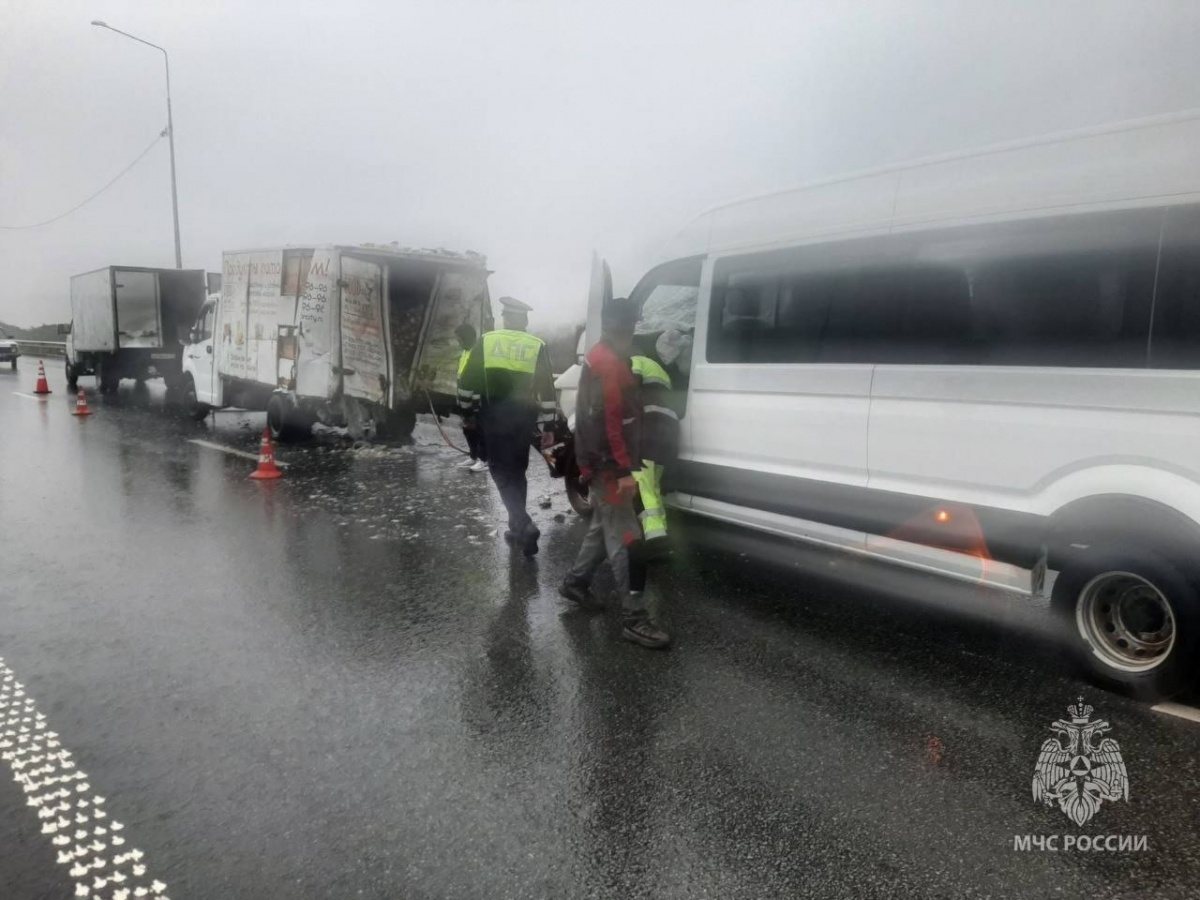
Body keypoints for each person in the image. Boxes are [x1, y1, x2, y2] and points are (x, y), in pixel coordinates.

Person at [558, 297, 671, 649]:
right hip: (609, 467)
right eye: (632, 326)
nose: (633, 333)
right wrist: (621, 470)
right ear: (627, 327)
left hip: (601, 463)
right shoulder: (610, 364)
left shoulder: (600, 354)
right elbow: (608, 423)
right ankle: (634, 618)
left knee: (601, 527)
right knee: (627, 541)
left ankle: (575, 583)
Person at [458, 296, 557, 556]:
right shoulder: (537, 345)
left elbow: (466, 383)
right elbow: (548, 389)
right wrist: (549, 426)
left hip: (494, 417)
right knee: (517, 471)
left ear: (505, 318)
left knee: (500, 472)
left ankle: (523, 523)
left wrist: (466, 412)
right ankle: (517, 531)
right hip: (524, 419)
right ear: (524, 320)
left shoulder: (488, 341)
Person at [454, 323, 488, 473]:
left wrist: (474, 404)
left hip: (475, 399)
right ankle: (473, 456)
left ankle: (484, 459)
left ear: (467, 338)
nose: (458, 342)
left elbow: (478, 381)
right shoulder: (465, 352)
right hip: (464, 398)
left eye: (459, 339)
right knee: (468, 429)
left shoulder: (478, 354)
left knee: (479, 429)